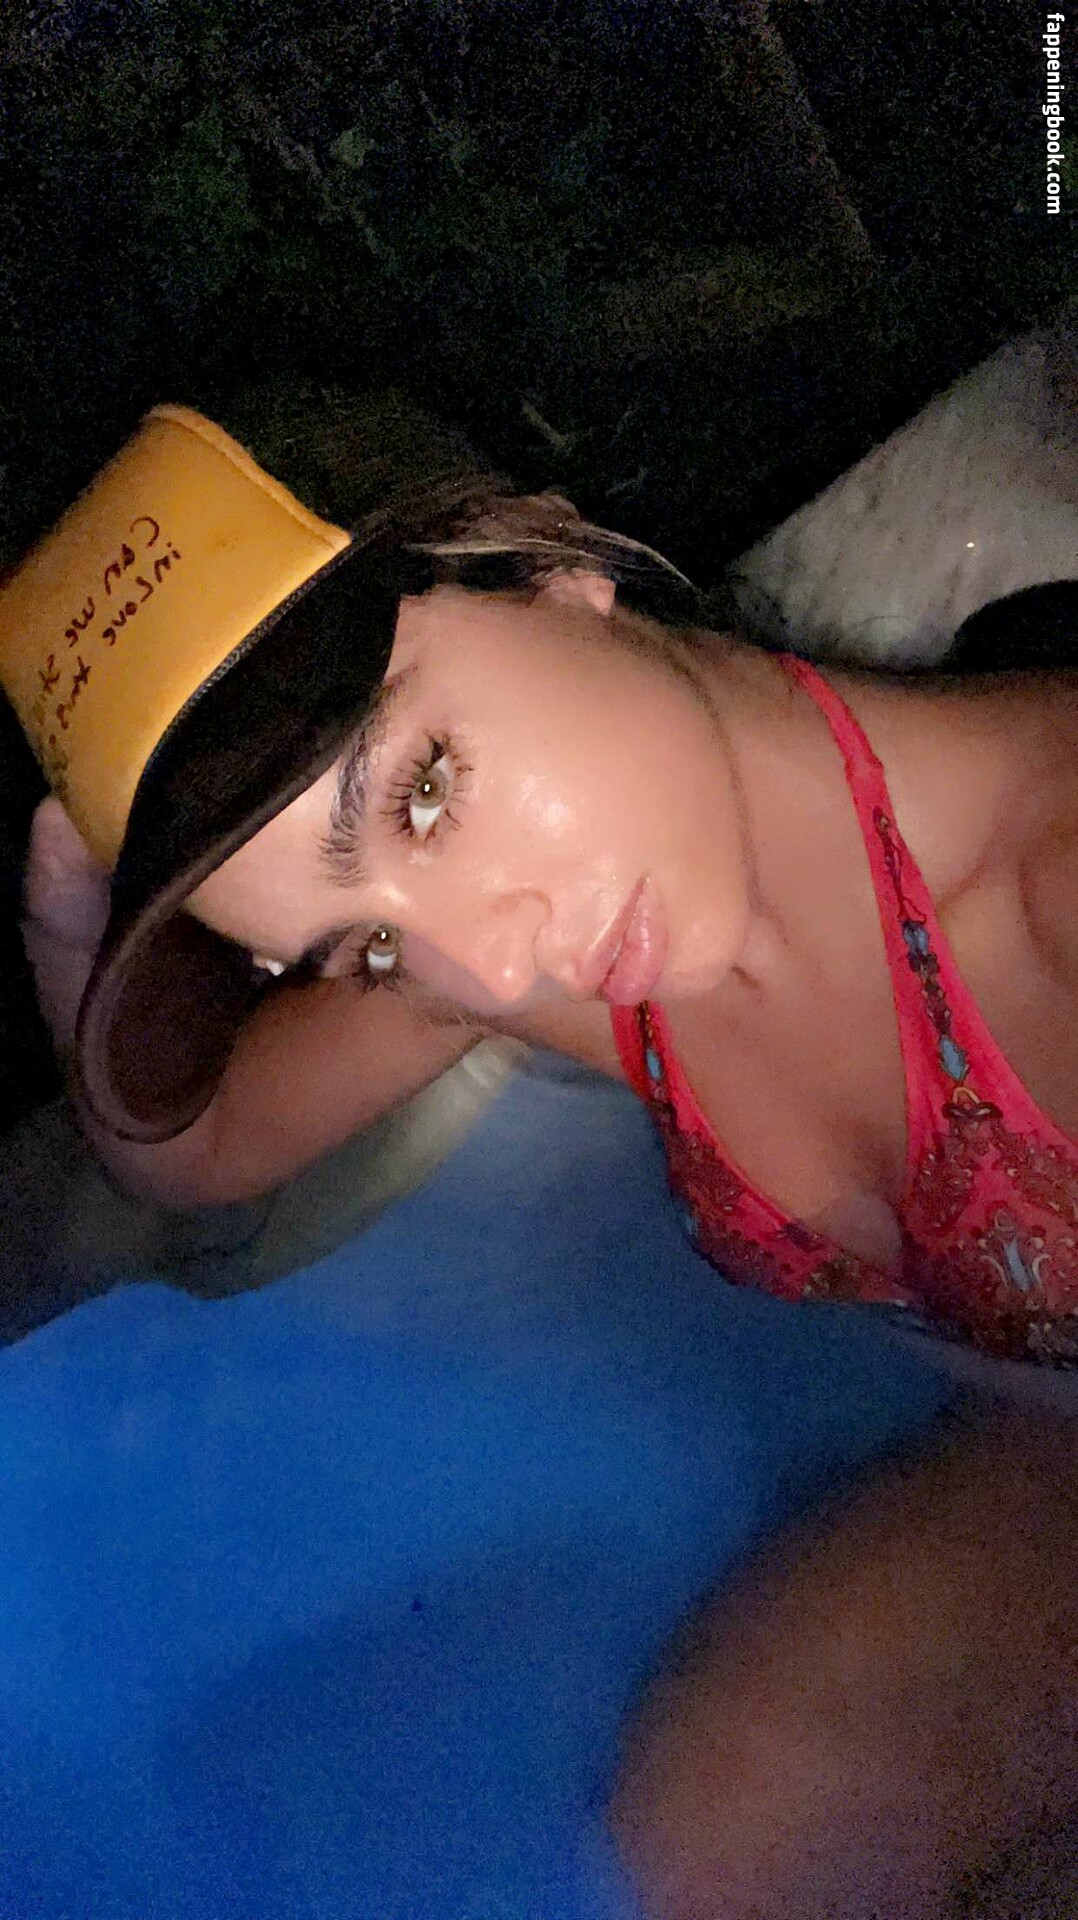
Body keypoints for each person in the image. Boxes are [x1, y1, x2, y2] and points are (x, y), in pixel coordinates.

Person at [8, 399, 1078, 1919]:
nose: (489, 964)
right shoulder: (559, 945)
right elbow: (198, 1153)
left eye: (424, 792)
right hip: (1040, 1453)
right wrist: (69, 928)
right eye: (359, 946)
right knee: (716, 1844)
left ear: (553, 573)